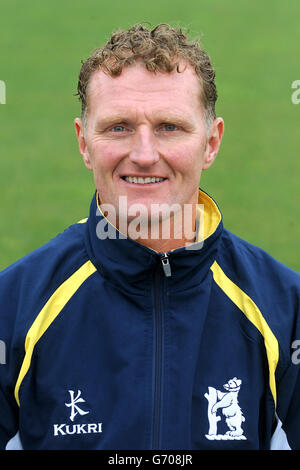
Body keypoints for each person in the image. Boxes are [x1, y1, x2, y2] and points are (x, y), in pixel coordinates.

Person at [0, 23, 299, 451]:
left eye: (169, 128)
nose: (143, 155)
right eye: (118, 127)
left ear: (211, 143)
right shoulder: (14, 306)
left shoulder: (285, 310)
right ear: (84, 143)